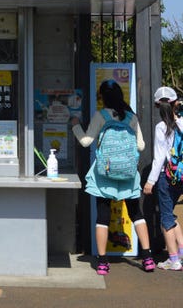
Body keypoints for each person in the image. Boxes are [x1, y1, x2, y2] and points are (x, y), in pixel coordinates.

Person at [70, 79, 155, 275]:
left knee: (103, 216)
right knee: (136, 214)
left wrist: (75, 125)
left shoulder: (101, 116)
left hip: (104, 175)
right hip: (127, 174)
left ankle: (102, 262)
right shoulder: (131, 118)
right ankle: (148, 258)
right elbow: (141, 146)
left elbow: (85, 142)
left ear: (102, 97)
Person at [142, 86, 183, 271]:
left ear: (157, 105)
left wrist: (150, 182)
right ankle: (180, 253)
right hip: (181, 177)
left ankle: (173, 259)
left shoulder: (161, 127)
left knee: (166, 218)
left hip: (166, 177)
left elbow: (159, 158)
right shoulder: (182, 123)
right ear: (176, 103)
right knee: (170, 215)